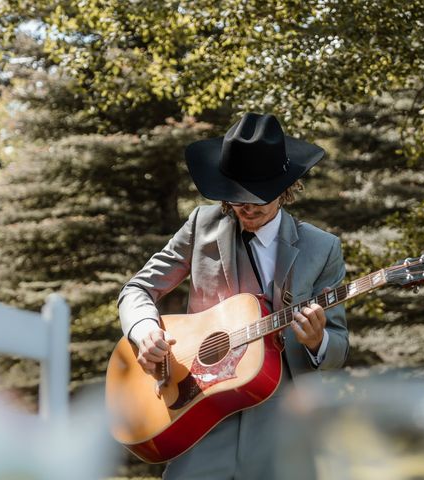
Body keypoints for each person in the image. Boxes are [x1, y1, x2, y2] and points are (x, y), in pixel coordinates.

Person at [118, 112, 349, 479]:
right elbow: (138, 289)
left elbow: (337, 348)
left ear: (286, 187)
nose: (247, 207)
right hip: (199, 416)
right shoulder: (201, 225)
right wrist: (145, 330)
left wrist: (318, 340)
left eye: (258, 196)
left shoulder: (321, 248)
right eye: (237, 195)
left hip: (280, 429)